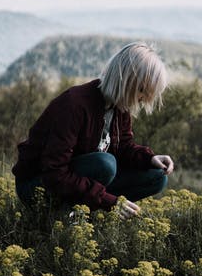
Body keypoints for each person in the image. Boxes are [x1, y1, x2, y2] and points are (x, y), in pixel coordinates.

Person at [12, 42, 174, 220]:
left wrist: (149, 158)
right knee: (105, 164)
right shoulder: (74, 104)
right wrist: (107, 201)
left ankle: (82, 212)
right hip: (38, 185)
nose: (142, 99)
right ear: (125, 79)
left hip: (76, 180)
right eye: (141, 90)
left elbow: (123, 147)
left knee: (157, 176)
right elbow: (55, 173)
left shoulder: (120, 107)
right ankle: (61, 216)